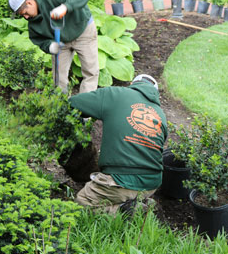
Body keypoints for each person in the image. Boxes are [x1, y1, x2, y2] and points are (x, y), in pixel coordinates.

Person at [69, 74, 168, 214]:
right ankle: (141, 201)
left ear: (133, 84)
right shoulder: (161, 115)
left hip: (120, 180)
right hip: (151, 184)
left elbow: (74, 103)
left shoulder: (115, 94)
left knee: (82, 203)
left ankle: (127, 211)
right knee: (124, 192)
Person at [8, 0, 99, 93]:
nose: (26, 17)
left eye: (25, 13)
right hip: (60, 42)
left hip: (83, 31)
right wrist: (50, 46)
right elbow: (39, 39)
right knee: (58, 77)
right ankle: (62, 103)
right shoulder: (33, 23)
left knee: (90, 71)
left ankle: (85, 105)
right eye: (22, 16)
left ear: (29, 3)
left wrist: (65, 7)